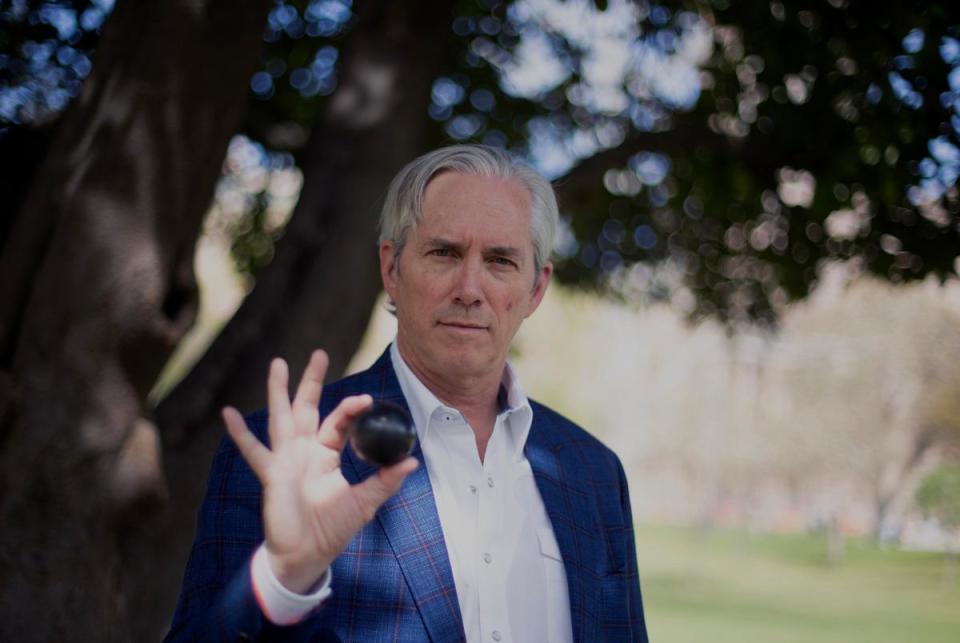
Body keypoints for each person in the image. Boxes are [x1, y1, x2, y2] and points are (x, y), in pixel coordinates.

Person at [166, 144, 648, 642]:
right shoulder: (285, 454)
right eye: (445, 253)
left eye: (501, 260)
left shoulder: (592, 472)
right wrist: (283, 581)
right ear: (392, 269)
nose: (469, 288)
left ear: (535, 289)